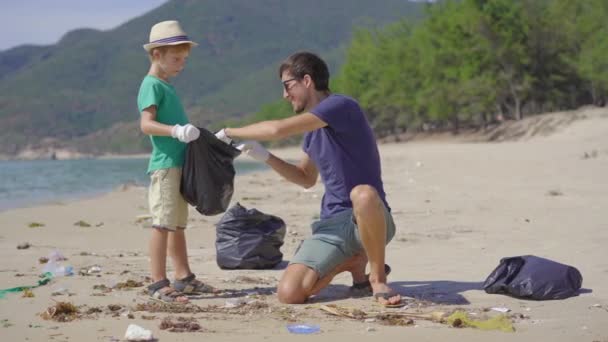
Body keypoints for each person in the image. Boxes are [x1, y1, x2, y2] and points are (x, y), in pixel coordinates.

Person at [215, 51, 401, 306]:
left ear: (307, 80)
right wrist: (264, 156)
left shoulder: (342, 106)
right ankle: (352, 262)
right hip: (332, 225)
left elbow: (277, 129)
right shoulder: (312, 133)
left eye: (287, 86)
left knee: (364, 194)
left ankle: (377, 279)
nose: (284, 95)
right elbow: (305, 178)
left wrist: (227, 132)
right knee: (289, 294)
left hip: (370, 219)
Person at [137, 20, 217, 303]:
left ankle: (184, 278)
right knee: (162, 224)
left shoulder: (166, 85)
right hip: (165, 164)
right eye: (176, 59)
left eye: (184, 59)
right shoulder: (151, 85)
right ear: (157, 54)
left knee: (177, 224)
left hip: (180, 164)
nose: (181, 64)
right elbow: (146, 124)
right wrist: (175, 130)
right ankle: (158, 282)